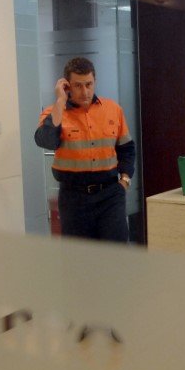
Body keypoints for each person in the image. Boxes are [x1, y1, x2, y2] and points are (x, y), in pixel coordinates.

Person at [34, 57, 135, 242]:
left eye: (88, 84)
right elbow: (46, 141)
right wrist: (59, 101)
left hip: (110, 196)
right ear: (67, 86)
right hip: (74, 198)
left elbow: (127, 149)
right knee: (78, 261)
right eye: (78, 86)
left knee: (116, 258)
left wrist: (125, 181)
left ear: (95, 81)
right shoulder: (53, 112)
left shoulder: (113, 109)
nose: (84, 91)